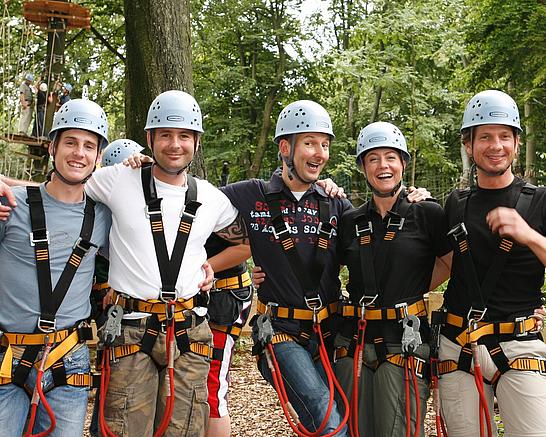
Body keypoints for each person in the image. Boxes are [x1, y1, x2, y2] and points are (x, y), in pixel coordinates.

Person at [83, 90, 248, 437]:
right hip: (132, 326)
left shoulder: (210, 198)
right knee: (124, 429)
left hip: (189, 330)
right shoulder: (117, 180)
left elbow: (247, 242)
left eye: (184, 136)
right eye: (166, 135)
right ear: (150, 139)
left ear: (197, 142)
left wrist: (212, 266)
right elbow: (59, 190)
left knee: (184, 430)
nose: (175, 144)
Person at [221, 100, 353, 436]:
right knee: (325, 417)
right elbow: (186, 197)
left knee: (342, 418)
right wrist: (144, 168)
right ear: (285, 147)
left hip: (327, 331)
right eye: (309, 143)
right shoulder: (251, 195)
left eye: (324, 144)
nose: (319, 153)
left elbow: (378, 239)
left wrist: (411, 202)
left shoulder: (334, 202)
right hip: (279, 332)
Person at [0, 98, 111, 436]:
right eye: (71, 142)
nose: (79, 153)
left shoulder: (104, 216)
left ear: (98, 157)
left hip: (68, 360)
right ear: (52, 147)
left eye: (89, 146)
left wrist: (204, 267)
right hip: (9, 357)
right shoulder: (10, 207)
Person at [438, 90, 546, 436]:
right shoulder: (455, 203)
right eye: (484, 136)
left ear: (516, 143)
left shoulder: (540, 201)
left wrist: (528, 234)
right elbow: (442, 265)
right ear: (469, 145)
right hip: (459, 344)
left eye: (503, 136)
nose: (495, 145)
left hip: (519, 343)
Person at [333, 121, 452, 437]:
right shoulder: (349, 220)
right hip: (354, 342)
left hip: (404, 339)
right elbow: (320, 269)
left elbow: (454, 265)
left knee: (397, 429)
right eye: (373, 158)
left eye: (391, 157)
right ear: (363, 167)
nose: (383, 165)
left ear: (403, 164)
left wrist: (412, 288)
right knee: (352, 428)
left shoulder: (427, 213)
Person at [204, 234, 252, 437]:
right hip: (185, 297)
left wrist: (198, 268)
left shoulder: (226, 202)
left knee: (213, 386)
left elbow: (247, 246)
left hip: (223, 296)